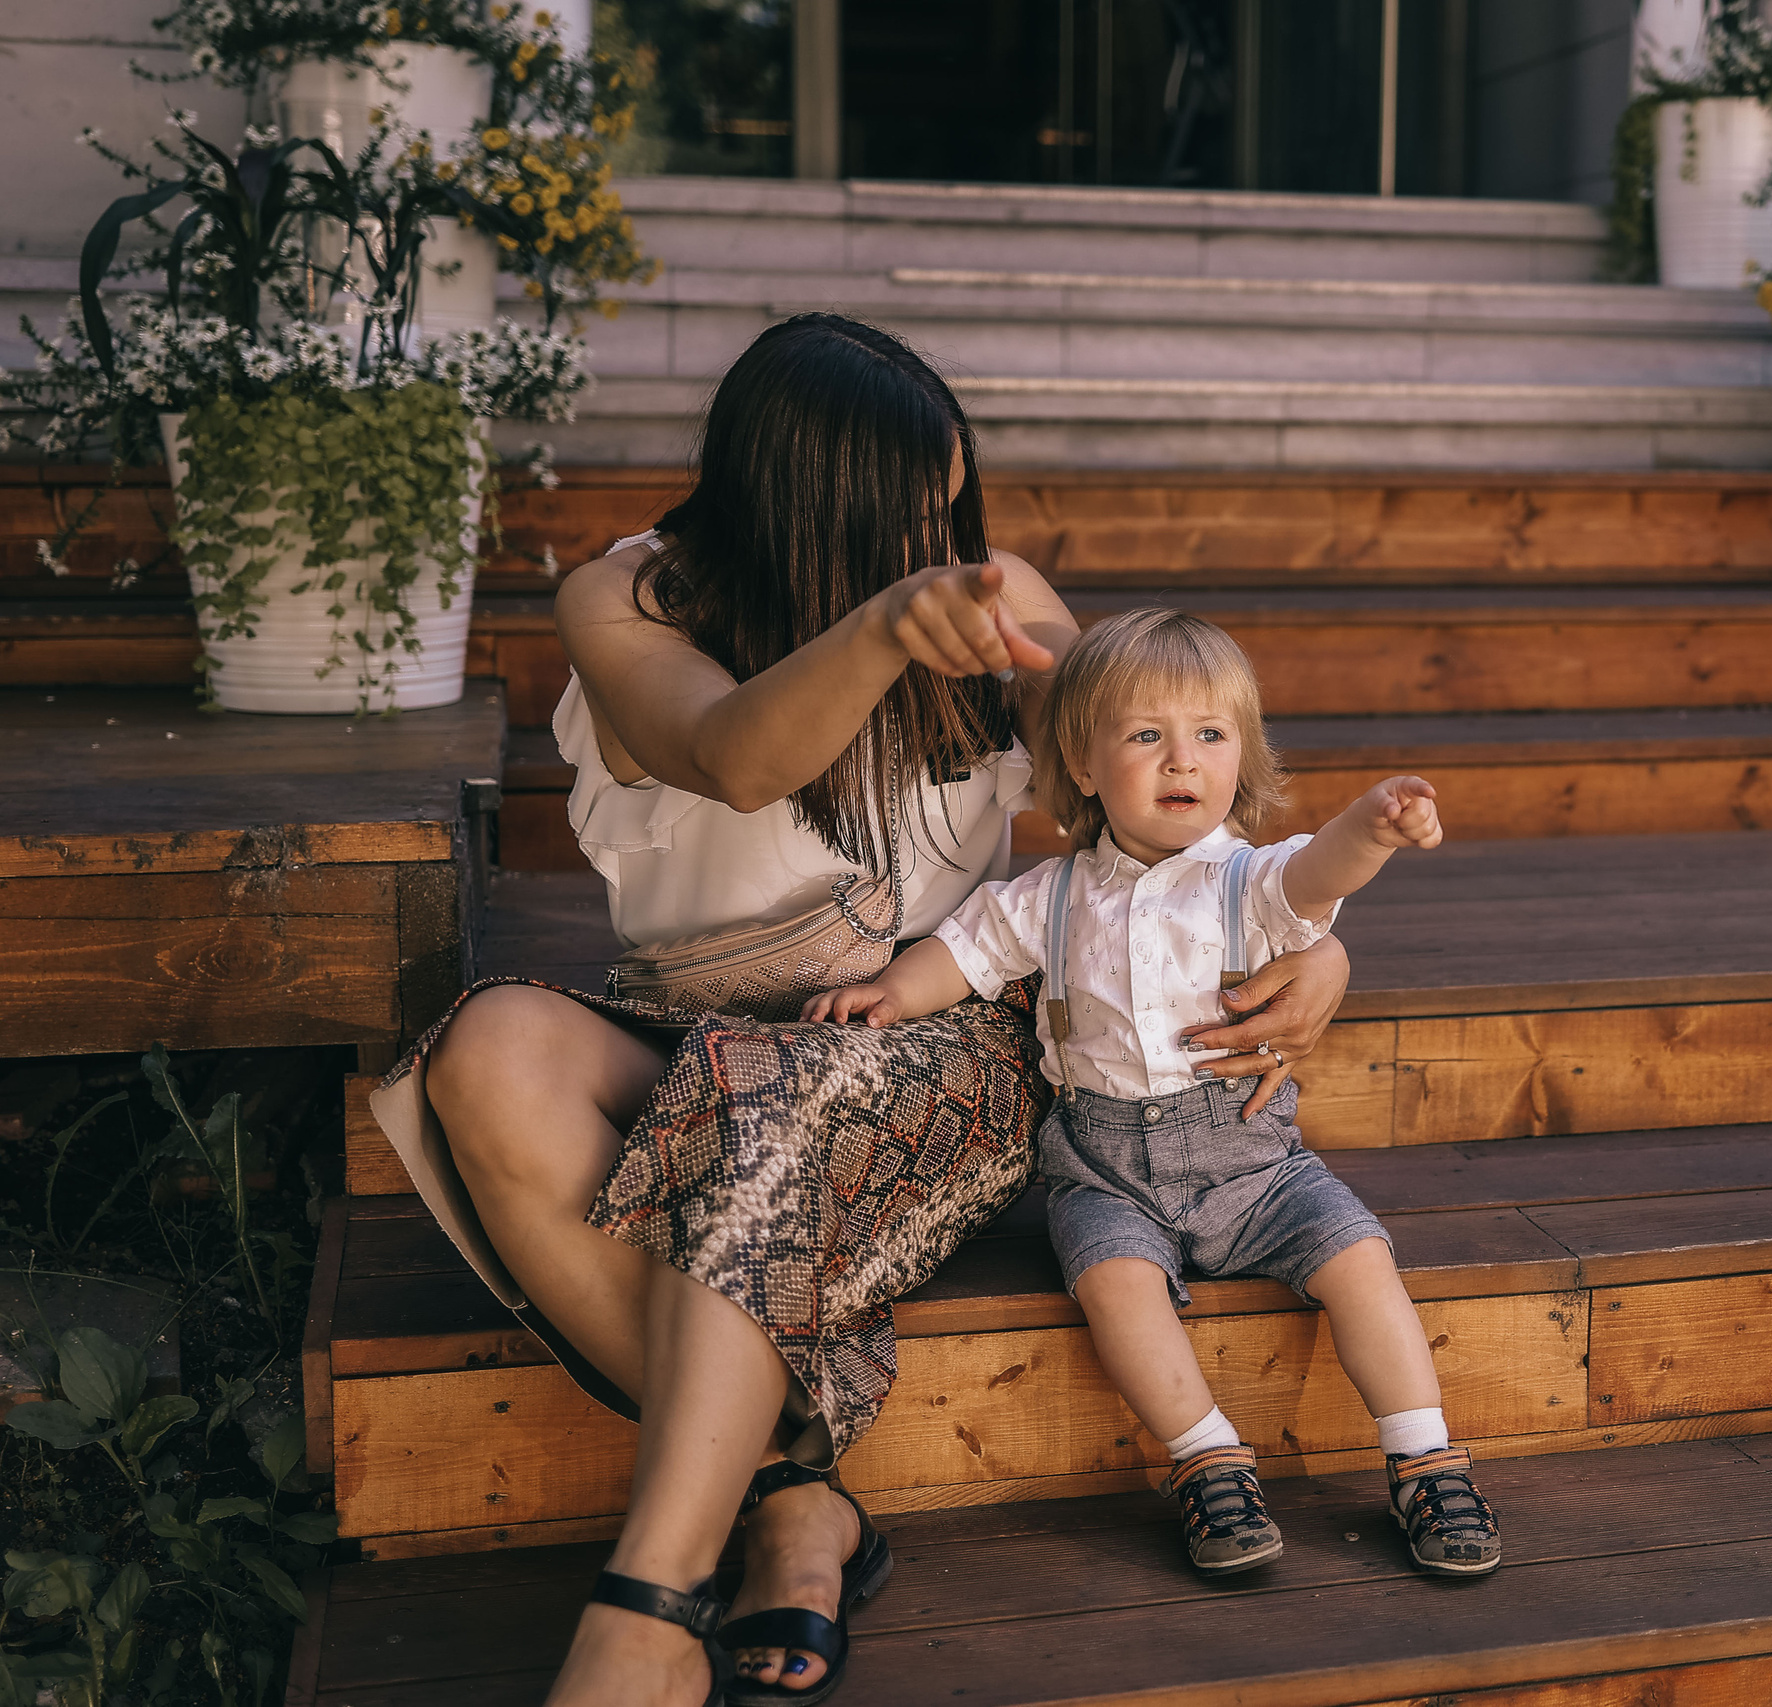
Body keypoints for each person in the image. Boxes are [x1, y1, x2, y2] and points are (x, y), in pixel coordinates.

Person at [366, 316, 1356, 1707]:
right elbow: (735, 755)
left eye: (949, 493)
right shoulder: (628, 599)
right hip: (693, 1022)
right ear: (799, 494)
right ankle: (790, 1490)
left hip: (937, 1034)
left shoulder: (993, 590)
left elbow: (1150, 775)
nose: (938, 531)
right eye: (904, 503)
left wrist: (1320, 942)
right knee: (487, 1053)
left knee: (777, 1083)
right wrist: (886, 627)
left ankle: (645, 1599)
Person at [799, 608, 1502, 1580]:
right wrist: (889, 991)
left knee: (1360, 1262)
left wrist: (1371, 823)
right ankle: (1206, 1454)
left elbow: (1316, 873)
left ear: (1240, 758)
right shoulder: (1046, 897)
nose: (1183, 761)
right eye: (1146, 736)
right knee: (1114, 1288)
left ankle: (1423, 1453)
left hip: (1254, 1164)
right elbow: (960, 956)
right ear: (1083, 766)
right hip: (1102, 1168)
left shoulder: (1243, 882)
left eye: (1209, 736)